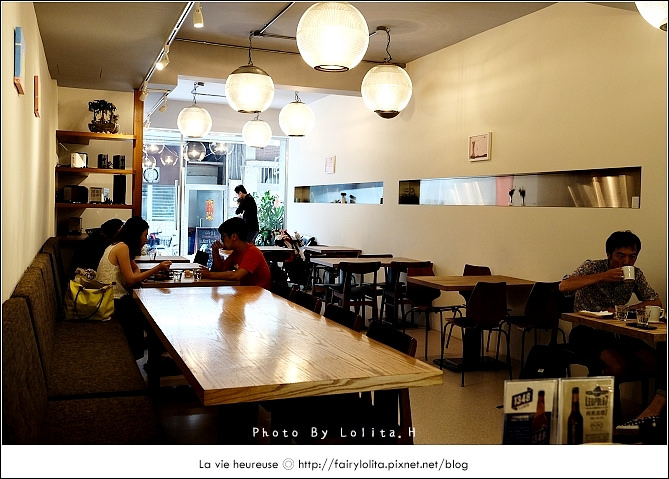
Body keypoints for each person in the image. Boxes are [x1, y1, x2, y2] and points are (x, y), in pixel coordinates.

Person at [559, 230, 663, 415]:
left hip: (618, 332)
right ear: (609, 254)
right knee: (618, 366)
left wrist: (626, 310)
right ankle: (599, 404)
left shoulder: (635, 274)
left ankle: (605, 388)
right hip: (586, 330)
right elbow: (564, 286)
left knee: (656, 363)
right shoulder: (592, 267)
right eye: (620, 256)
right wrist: (603, 276)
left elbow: (655, 302)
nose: (626, 262)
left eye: (632, 256)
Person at [95, 216, 172, 359]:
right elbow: (131, 280)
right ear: (136, 234)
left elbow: (135, 270)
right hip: (112, 301)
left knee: (149, 316)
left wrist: (136, 276)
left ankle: (156, 357)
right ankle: (155, 357)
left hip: (109, 298)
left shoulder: (117, 245)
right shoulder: (122, 247)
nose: (146, 239)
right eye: (145, 235)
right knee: (151, 317)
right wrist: (158, 268)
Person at [200, 217, 271, 290]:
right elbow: (221, 269)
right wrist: (215, 251)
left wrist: (209, 274)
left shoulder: (252, 252)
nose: (221, 240)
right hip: (246, 292)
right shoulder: (237, 252)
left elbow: (237, 275)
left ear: (234, 236)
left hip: (259, 294)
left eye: (223, 237)